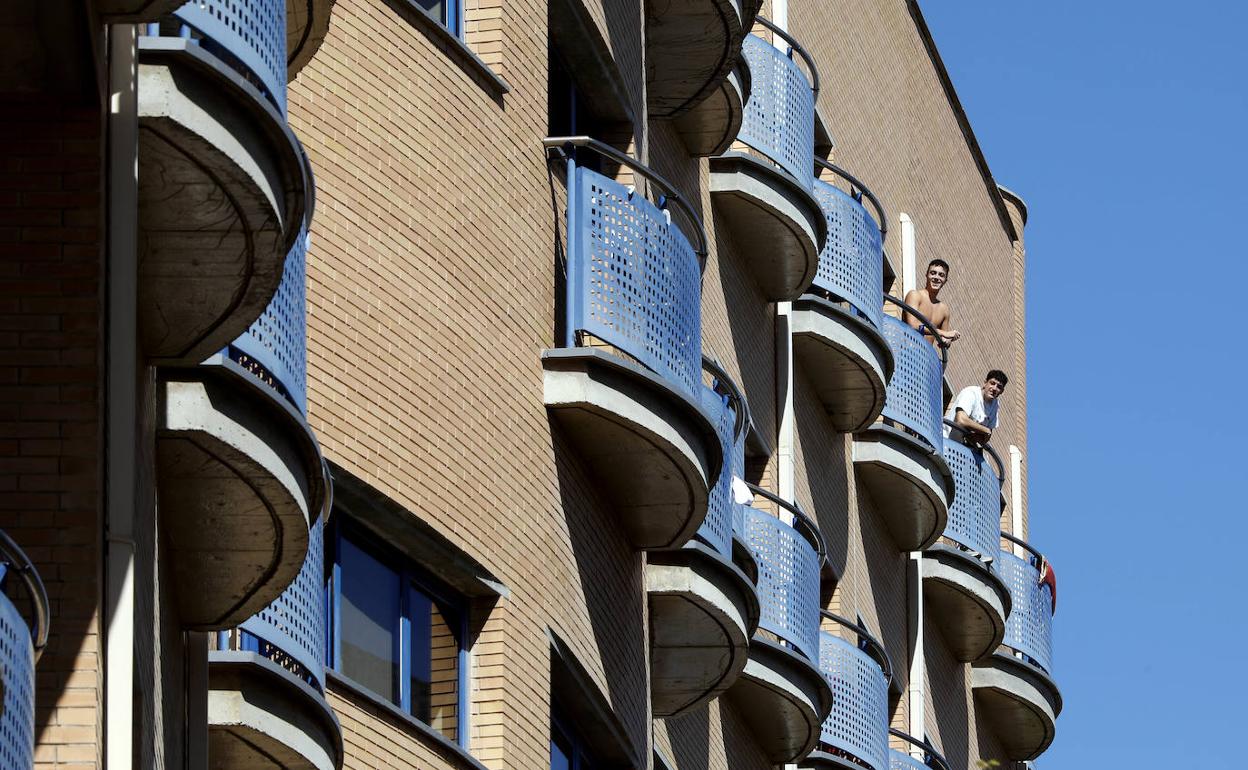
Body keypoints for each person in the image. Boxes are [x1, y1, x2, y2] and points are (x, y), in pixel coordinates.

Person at [904, 259, 961, 347]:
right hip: (907, 351)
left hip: (926, 357)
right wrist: (942, 333)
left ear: (945, 280)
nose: (936, 277)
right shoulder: (915, 295)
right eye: (933, 273)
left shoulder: (944, 310)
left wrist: (948, 340)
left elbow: (944, 340)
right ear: (926, 275)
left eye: (941, 275)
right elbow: (913, 325)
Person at [944, 370, 1008, 446]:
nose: (994, 388)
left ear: (1001, 391)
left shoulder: (995, 405)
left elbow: (986, 437)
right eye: (992, 383)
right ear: (985, 383)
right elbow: (961, 420)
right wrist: (984, 430)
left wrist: (980, 434)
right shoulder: (971, 393)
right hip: (945, 440)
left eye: (999, 387)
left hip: (963, 449)